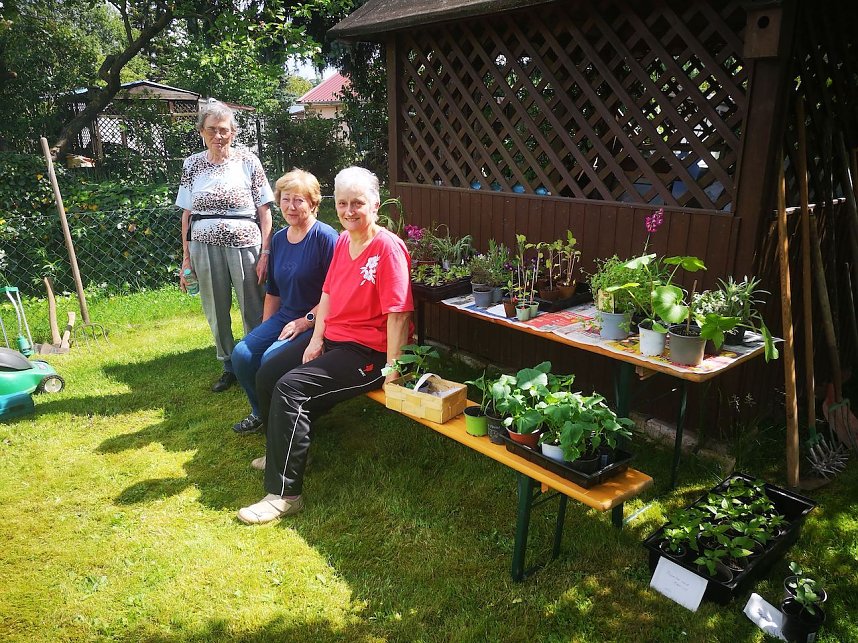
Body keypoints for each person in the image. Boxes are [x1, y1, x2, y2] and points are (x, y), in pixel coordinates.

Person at [238, 166, 413, 524]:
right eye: (344, 203)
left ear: (375, 205)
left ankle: (284, 494)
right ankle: (280, 454)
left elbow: (399, 314)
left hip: (368, 353)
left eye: (358, 204)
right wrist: (315, 339)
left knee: (292, 388)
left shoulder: (387, 248)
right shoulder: (344, 242)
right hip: (334, 339)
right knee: (268, 372)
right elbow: (328, 293)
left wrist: (393, 369)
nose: (349, 211)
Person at [230, 169, 339, 435]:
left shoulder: (326, 238)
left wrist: (306, 321)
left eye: (299, 200)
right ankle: (261, 412)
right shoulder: (278, 239)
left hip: (316, 319)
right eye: (286, 199)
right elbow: (274, 292)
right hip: (284, 316)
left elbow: (336, 292)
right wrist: (265, 331)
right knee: (243, 354)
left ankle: (291, 418)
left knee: (270, 359)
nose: (291, 206)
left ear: (313, 203)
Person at [176, 99, 274, 392]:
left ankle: (255, 361)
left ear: (233, 132)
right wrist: (186, 257)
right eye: (211, 130)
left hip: (246, 243)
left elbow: (265, 209)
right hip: (203, 246)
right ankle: (229, 364)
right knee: (215, 309)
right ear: (201, 132)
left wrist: (266, 251)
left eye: (224, 130)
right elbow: (187, 213)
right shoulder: (192, 164)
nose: (218, 136)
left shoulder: (248, 161)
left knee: (252, 307)